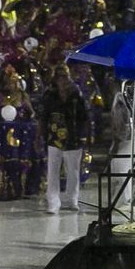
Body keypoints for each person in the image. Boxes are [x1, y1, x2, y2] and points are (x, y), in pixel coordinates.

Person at [39, 66, 89, 214]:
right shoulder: (49, 95)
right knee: (53, 170)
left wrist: (86, 135)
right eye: (59, 76)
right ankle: (53, 202)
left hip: (74, 137)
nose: (62, 79)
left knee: (73, 170)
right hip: (54, 137)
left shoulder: (76, 95)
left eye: (65, 76)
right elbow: (42, 117)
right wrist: (39, 136)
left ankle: (72, 199)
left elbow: (84, 116)